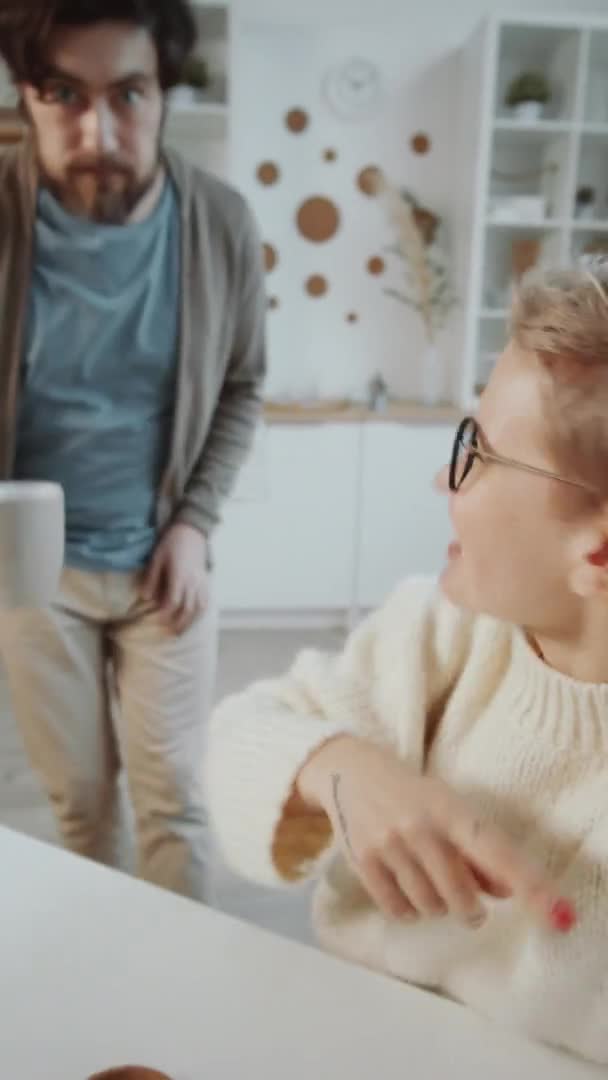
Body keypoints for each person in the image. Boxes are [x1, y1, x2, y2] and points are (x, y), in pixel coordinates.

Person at [205, 259, 608, 1064]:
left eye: (480, 453)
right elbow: (236, 737)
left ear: (597, 552)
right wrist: (341, 767)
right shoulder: (443, 631)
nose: (442, 479)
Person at [0, 0, 266, 901]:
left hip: (165, 570)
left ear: (164, 95)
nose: (97, 129)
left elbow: (241, 386)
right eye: (63, 94)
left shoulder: (222, 224)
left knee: (177, 804)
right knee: (78, 804)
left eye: (129, 94)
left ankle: (172, 1006)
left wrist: (194, 524)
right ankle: (100, 974)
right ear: (26, 96)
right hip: (37, 580)